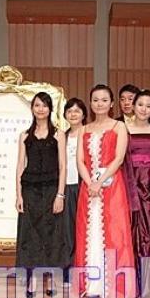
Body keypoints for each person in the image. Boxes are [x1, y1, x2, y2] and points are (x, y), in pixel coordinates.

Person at [74, 84, 136, 298]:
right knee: (89, 233)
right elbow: (80, 161)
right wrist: (90, 182)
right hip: (88, 188)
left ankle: (113, 286)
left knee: (114, 232)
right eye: (95, 100)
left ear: (111, 103)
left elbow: (118, 158)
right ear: (90, 104)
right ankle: (91, 285)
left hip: (111, 187)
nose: (99, 104)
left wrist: (99, 182)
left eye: (104, 100)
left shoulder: (118, 126)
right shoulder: (83, 129)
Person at [15, 92, 67, 298]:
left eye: (45, 105)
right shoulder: (24, 136)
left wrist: (60, 195)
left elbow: (63, 166)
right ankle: (32, 279)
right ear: (32, 108)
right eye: (37, 105)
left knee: (51, 235)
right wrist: (18, 195)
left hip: (51, 190)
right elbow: (20, 166)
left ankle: (50, 278)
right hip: (29, 190)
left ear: (50, 109)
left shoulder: (58, 135)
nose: (41, 109)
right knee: (30, 235)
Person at [122, 89, 150, 297]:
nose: (144, 109)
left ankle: (147, 283)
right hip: (129, 186)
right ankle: (131, 284)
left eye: (149, 106)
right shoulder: (123, 129)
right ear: (133, 105)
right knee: (130, 234)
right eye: (140, 104)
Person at [62, 97, 88, 284]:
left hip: (84, 186)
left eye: (77, 111)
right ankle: (67, 271)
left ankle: (85, 271)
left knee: (84, 229)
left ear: (84, 115)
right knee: (66, 232)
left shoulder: (88, 135)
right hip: (65, 187)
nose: (73, 114)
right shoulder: (60, 137)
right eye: (70, 111)